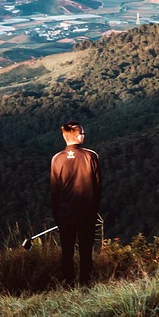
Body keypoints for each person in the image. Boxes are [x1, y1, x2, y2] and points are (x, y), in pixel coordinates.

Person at [50, 122, 101, 287]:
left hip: (65, 214)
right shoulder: (91, 156)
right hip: (86, 213)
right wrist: (95, 209)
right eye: (83, 133)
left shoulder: (56, 159)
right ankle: (86, 283)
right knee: (86, 250)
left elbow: (55, 191)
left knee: (67, 251)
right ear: (79, 136)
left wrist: (56, 216)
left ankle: (68, 284)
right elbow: (98, 186)